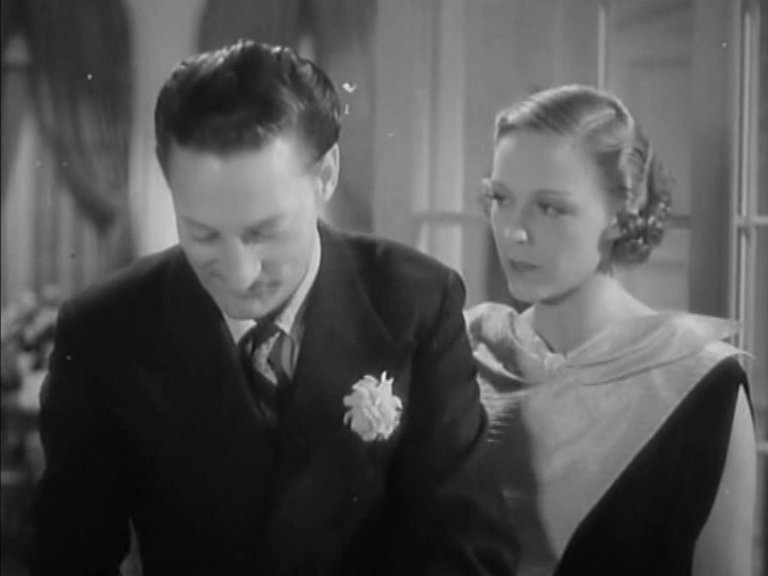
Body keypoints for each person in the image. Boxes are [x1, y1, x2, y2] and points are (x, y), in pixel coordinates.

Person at [30, 40, 519, 575]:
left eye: (264, 232)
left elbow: (468, 548)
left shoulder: (416, 300)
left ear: (326, 174)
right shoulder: (104, 329)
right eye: (203, 234)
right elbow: (68, 559)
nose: (239, 273)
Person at [465, 84, 756, 575]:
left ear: (621, 217)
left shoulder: (703, 383)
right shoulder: (464, 350)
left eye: (550, 207)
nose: (513, 231)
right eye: (501, 198)